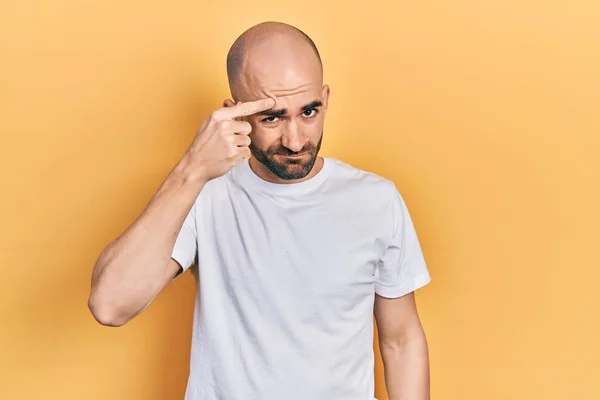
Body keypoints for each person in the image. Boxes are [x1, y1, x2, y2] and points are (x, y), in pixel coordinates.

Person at [88, 21, 431, 400]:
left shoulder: (375, 200)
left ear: (326, 99)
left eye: (309, 111)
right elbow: (110, 305)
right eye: (272, 117)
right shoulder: (203, 193)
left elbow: (400, 341)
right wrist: (192, 169)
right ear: (235, 114)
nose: (295, 139)